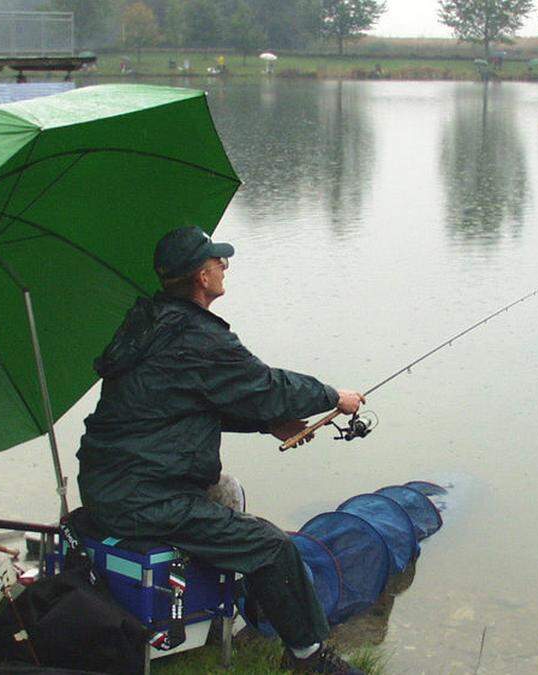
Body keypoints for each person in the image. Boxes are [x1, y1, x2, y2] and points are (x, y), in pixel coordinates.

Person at [77, 226, 367, 674]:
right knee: (272, 547)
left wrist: (268, 424)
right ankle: (310, 657)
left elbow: (188, 403)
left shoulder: (150, 323)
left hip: (108, 482)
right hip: (144, 496)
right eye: (218, 261)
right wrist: (333, 397)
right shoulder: (197, 336)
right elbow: (266, 385)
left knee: (227, 492)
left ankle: (220, 615)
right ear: (200, 276)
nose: (224, 266)